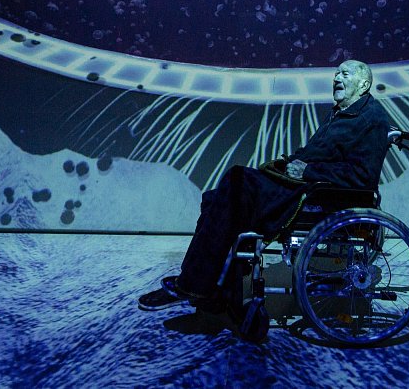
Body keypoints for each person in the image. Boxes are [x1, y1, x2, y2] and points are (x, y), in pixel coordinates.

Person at [138, 59, 391, 313]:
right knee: (215, 198)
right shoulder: (340, 112)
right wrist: (289, 162)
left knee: (236, 180)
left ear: (364, 84)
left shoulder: (372, 119)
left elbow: (363, 177)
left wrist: (307, 170)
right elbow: (315, 152)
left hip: (319, 194)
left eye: (345, 74)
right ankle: (211, 286)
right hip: (306, 185)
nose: (336, 78)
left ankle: (195, 285)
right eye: (336, 73)